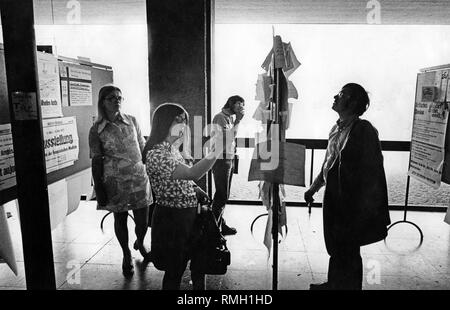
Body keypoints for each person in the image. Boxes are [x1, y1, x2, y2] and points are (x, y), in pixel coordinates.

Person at [304, 83, 391, 290]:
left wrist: (366, 209)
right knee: (336, 246)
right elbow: (328, 163)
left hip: (351, 203)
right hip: (334, 198)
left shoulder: (364, 130)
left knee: (349, 248)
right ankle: (334, 283)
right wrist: (313, 188)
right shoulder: (335, 129)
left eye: (341, 95)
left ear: (352, 103)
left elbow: (373, 172)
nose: (335, 97)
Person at [143, 103, 231, 290]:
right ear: (163, 122)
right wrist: (217, 150)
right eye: (178, 119)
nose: (183, 123)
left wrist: (195, 189)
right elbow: (192, 173)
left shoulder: (173, 149)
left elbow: (183, 178)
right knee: (175, 268)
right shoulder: (156, 154)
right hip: (173, 218)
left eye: (185, 119)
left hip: (190, 215)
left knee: (200, 265)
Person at [89, 85, 152, 277]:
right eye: (111, 98)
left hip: (139, 178)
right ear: (102, 102)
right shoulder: (97, 129)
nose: (116, 100)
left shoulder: (132, 120)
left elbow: (142, 147)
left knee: (143, 220)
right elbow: (96, 159)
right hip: (115, 181)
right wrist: (99, 189)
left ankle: (140, 241)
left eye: (119, 97)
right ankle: (126, 253)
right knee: (120, 218)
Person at [210, 95, 245, 236]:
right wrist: (238, 121)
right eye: (238, 104)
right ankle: (213, 230)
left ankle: (219, 224)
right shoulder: (220, 118)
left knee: (224, 195)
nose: (241, 107)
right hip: (220, 160)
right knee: (221, 195)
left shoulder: (229, 118)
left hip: (228, 158)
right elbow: (228, 138)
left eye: (242, 105)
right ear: (230, 104)